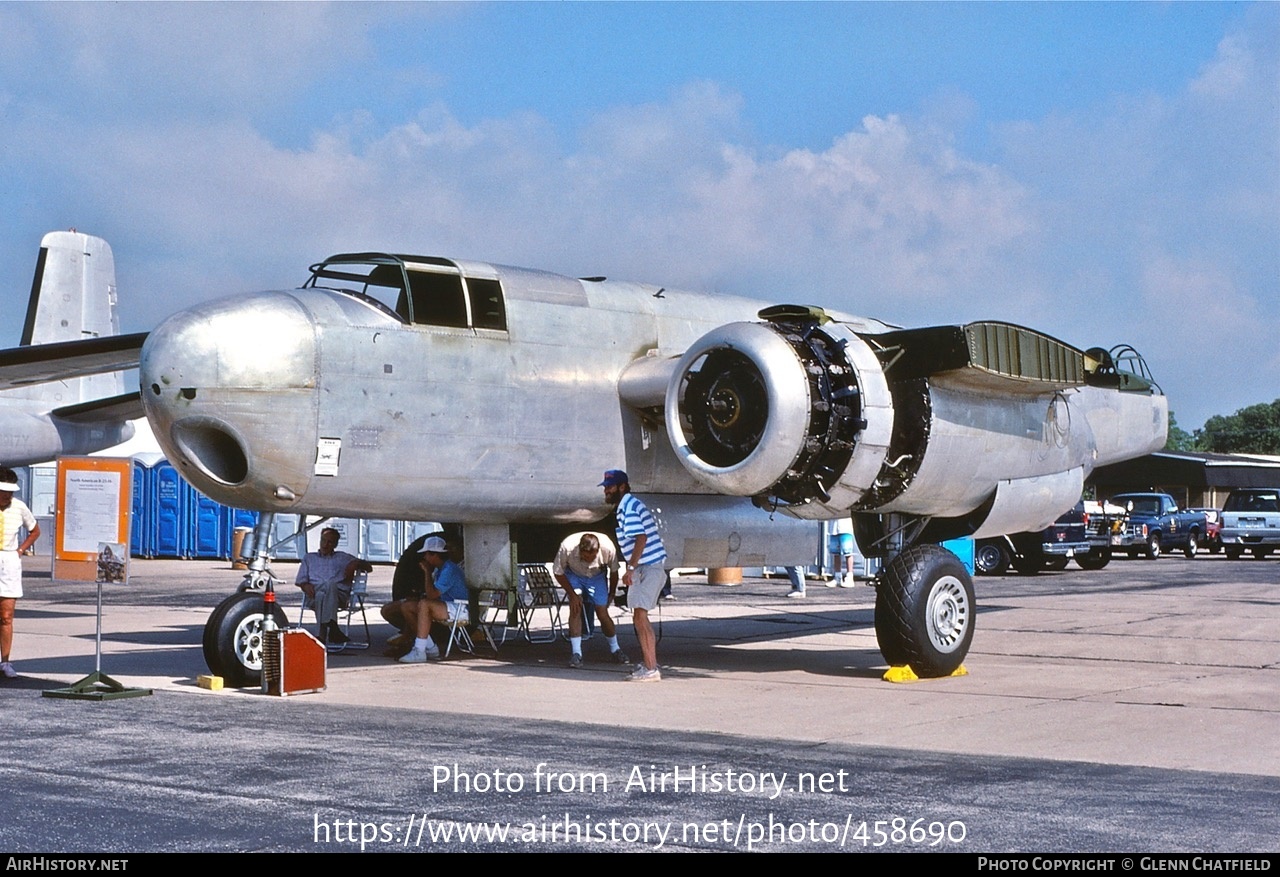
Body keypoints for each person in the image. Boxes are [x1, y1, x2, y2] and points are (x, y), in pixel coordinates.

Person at [600, 469, 666, 683]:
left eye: (609, 487)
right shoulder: (628, 505)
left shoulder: (628, 507)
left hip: (647, 566)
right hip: (646, 566)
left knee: (640, 617)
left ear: (622, 487)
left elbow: (641, 538)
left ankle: (651, 669)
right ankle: (649, 665)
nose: (606, 491)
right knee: (639, 617)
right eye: (605, 487)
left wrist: (630, 568)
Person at [553, 531, 630, 668]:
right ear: (580, 550)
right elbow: (558, 572)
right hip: (574, 574)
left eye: (592, 557)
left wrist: (611, 593)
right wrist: (572, 594)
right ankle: (576, 653)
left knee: (602, 612)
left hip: (597, 576)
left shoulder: (607, 547)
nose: (589, 560)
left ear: (598, 550)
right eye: (585, 557)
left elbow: (613, 571)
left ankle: (615, 649)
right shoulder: (567, 547)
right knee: (575, 608)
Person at [296, 527, 373, 646]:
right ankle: (333, 628)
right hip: (313, 595)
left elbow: (369, 567)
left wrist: (355, 563)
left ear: (335, 545)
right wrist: (305, 585)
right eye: (323, 540)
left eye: (330, 542)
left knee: (329, 585)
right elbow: (301, 580)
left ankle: (321, 637)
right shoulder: (309, 558)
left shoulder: (342, 557)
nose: (325, 545)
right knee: (322, 593)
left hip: (339, 597)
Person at [399, 535, 470, 663]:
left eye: (427, 554)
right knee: (407, 606)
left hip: (460, 608)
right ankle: (430, 647)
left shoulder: (449, 570)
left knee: (425, 605)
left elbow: (432, 595)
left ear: (435, 555)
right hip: (448, 605)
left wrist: (426, 572)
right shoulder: (440, 569)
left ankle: (419, 650)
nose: (425, 557)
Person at [0, 468, 40, 679]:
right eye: (3, 491)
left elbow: (35, 530)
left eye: (10, 492)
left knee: (6, 616)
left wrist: (21, 549)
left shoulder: (19, 507)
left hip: (8, 561)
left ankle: (5, 662)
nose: (7, 496)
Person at [826, 517, 855, 588]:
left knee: (848, 553)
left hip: (846, 528)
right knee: (836, 553)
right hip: (833, 528)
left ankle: (850, 578)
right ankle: (837, 577)